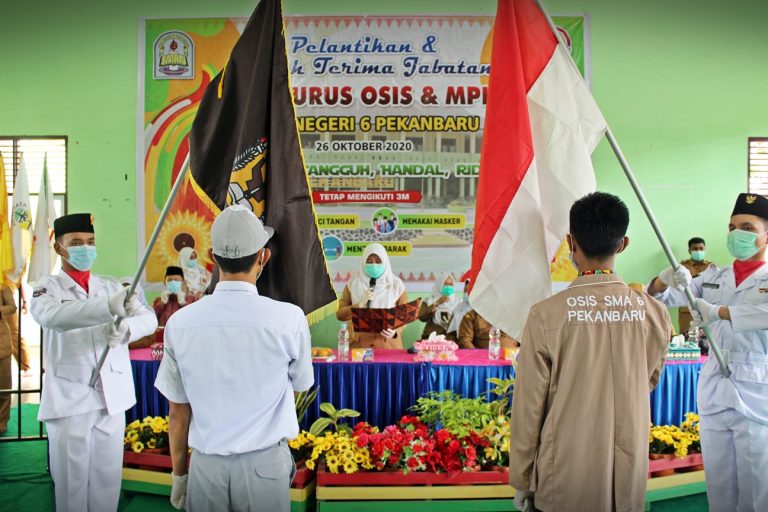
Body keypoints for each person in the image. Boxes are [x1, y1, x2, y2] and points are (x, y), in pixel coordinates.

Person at [510, 192, 671, 512]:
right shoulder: (654, 313)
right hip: (627, 467)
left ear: (571, 243)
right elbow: (647, 379)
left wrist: (524, 478)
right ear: (623, 244)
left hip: (564, 469)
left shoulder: (546, 314)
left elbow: (529, 405)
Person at [154, 205, 313, 512]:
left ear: (213, 258)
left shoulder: (181, 322)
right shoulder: (289, 319)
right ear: (263, 256)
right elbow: (298, 388)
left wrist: (180, 476)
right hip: (264, 466)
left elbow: (178, 412)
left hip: (206, 468)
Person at [647, 193, 768, 512]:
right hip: (715, 385)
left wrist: (718, 312)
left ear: (766, 235)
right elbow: (658, 300)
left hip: (755, 389)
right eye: (732, 227)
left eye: (747, 227)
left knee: (755, 487)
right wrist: (663, 280)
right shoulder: (715, 276)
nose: (736, 234)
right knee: (719, 484)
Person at [29, 213, 157, 512]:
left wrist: (128, 330)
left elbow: (149, 319)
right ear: (59, 248)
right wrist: (107, 307)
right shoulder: (47, 288)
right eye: (76, 243)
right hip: (71, 399)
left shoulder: (111, 286)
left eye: (90, 242)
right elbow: (53, 317)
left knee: (107, 481)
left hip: (112, 397)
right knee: (71, 486)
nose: (85, 248)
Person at [337, 243, 408, 349]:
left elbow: (404, 315)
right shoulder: (353, 284)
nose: (374, 265)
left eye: (378, 261)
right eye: (369, 262)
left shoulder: (396, 285)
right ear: (363, 262)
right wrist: (359, 305)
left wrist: (395, 331)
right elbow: (340, 315)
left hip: (388, 345)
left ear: (385, 262)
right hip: (360, 345)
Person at [128, 266, 197, 349]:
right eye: (170, 280)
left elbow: (195, 319)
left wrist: (183, 303)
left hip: (185, 342)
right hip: (163, 343)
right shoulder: (158, 301)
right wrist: (162, 303)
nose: (173, 282)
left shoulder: (192, 300)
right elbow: (151, 320)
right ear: (165, 282)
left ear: (183, 282)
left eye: (176, 280)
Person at [677, 237, 715, 333]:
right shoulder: (682, 267)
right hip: (687, 310)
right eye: (695, 249)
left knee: (709, 338)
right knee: (686, 337)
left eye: (701, 248)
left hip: (707, 309)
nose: (698, 251)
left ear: (705, 249)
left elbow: (715, 287)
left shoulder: (711, 267)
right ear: (689, 250)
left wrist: (698, 281)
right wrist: (702, 281)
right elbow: (680, 287)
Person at [419, 273, 460, 341]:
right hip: (432, 337)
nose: (448, 287)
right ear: (439, 285)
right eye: (445, 284)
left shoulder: (458, 301)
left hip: (452, 338)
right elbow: (422, 317)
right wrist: (437, 303)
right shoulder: (429, 300)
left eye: (450, 284)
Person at [3, 278, 31, 374]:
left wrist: (24, 301)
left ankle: (25, 366)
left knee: (14, 334)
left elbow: (18, 281)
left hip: (5, 301)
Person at [0, 284, 17, 434]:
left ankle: (2, 421)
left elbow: (12, 307)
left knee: (3, 385)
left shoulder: (3, 287)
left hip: (2, 344)